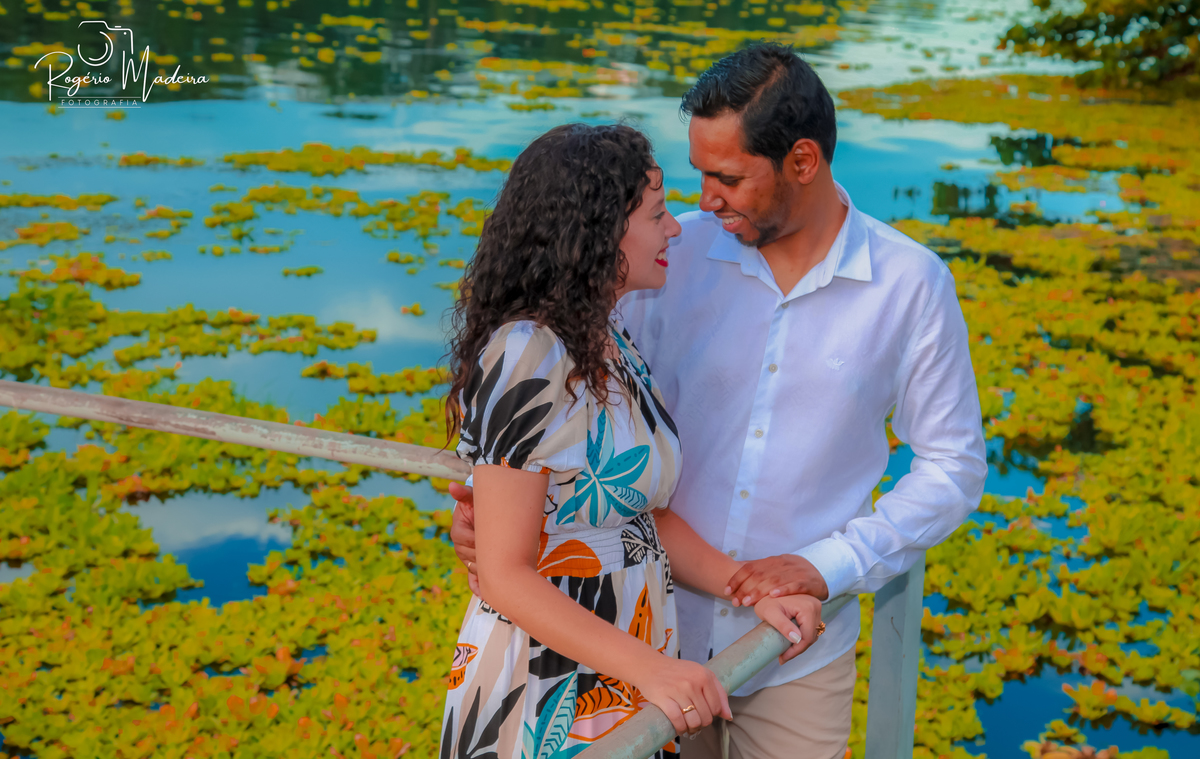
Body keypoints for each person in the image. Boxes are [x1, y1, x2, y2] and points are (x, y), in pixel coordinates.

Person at [448, 45, 989, 759]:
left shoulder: (911, 285)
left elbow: (953, 465)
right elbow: (537, 412)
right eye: (697, 176)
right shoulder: (661, 262)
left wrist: (830, 563)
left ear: (802, 161)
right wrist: (493, 518)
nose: (702, 202)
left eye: (727, 177)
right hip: (637, 646)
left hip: (790, 644)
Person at [438, 122, 826, 759]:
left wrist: (754, 590)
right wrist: (656, 672)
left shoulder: (611, 342)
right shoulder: (527, 353)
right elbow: (505, 573)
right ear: (599, 231)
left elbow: (643, 520)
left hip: (630, 655)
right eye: (656, 213)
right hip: (548, 676)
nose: (674, 229)